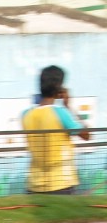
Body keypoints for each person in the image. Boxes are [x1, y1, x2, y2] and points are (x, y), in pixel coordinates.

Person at [21, 66, 90, 195]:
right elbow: (87, 135)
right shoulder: (60, 113)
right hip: (61, 183)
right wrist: (69, 106)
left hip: (34, 183)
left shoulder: (25, 114)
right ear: (60, 88)